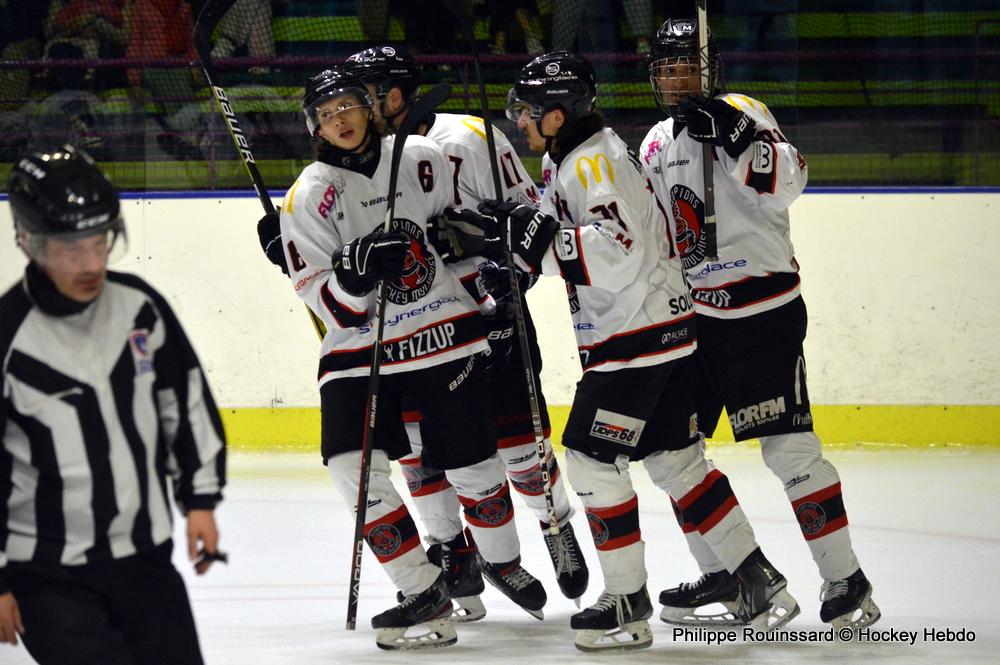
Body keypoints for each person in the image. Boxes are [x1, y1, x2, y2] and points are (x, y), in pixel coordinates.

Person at [482, 51, 798, 652]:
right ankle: (756, 581)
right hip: (663, 329)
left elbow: (615, 250)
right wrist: (515, 247)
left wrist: (543, 241)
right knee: (677, 462)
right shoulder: (569, 156)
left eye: (527, 110)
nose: (519, 120)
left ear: (558, 113)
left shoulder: (593, 160)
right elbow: (558, 237)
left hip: (634, 336)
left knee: (590, 462)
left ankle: (627, 603)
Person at [278, 66, 544, 649]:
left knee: (475, 465)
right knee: (351, 470)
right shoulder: (307, 196)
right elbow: (324, 299)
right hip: (361, 348)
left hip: (440, 327)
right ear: (314, 128)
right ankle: (422, 589)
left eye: (347, 106)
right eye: (326, 114)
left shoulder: (422, 158)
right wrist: (352, 277)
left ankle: (500, 561)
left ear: (370, 108)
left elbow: (465, 228)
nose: (339, 120)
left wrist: (485, 271)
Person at [640, 18, 880, 630]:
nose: (675, 79)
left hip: (762, 314)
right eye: (666, 69)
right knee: (670, 451)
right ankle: (730, 574)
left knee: (789, 449)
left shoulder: (744, 111)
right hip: (694, 321)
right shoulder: (655, 144)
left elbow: (790, 182)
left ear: (708, 69)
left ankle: (845, 581)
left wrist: (740, 140)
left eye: (685, 67)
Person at [342, 44, 589, 615]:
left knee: (520, 443)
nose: (352, 110)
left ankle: (554, 523)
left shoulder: (472, 139)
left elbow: (530, 220)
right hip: (414, 323)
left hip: (489, 311)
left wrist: (509, 271)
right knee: (420, 450)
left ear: (394, 97)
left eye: (364, 97)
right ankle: (452, 550)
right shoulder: (357, 161)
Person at [0, 145, 226, 664]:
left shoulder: (139, 307)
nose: (91, 263)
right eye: (71, 248)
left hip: (146, 561)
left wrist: (200, 501)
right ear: (29, 242)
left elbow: (184, 403)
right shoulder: (8, 334)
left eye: (100, 241)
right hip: (47, 575)